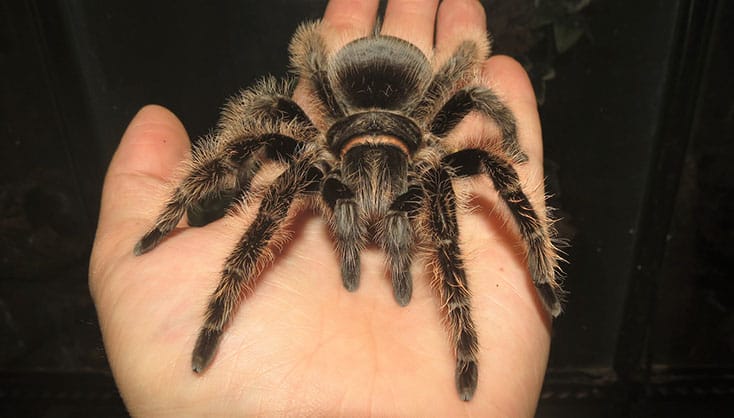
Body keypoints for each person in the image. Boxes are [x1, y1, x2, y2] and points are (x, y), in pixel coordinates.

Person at [89, 0, 554, 415]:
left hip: (400, 114)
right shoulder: (314, 158)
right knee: (275, 189)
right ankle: (220, 306)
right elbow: (263, 112)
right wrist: (187, 206)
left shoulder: (431, 154)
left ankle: (466, 341)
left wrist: (508, 143)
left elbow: (471, 91)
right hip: (357, 117)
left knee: (485, 173)